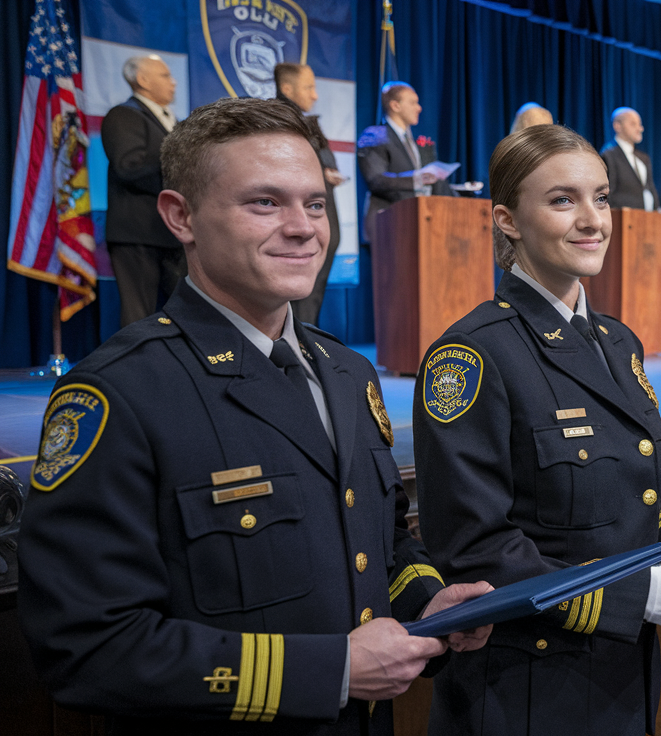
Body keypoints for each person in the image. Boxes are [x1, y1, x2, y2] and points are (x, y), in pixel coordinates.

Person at [18, 97, 493, 733]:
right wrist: (329, 670)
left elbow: (377, 544)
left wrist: (428, 600)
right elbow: (88, 649)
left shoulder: (349, 373)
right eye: (265, 202)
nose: (304, 227)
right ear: (180, 216)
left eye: (316, 202)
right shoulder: (122, 393)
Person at [412, 124, 661, 736]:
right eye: (563, 200)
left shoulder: (618, 342)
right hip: (529, 690)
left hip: (623, 672)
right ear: (508, 220)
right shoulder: (473, 354)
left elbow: (653, 490)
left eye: (601, 197)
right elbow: (476, 548)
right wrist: (638, 596)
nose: (594, 219)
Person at [102, 54, 185, 327]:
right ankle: (136, 370)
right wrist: (181, 172)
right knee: (139, 315)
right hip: (137, 232)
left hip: (173, 235)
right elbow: (129, 167)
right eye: (165, 76)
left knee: (184, 312)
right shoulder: (123, 115)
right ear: (143, 80)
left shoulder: (175, 121)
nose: (173, 82)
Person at [274, 62, 344, 325]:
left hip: (321, 215)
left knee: (312, 290)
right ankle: (298, 348)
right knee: (301, 290)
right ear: (286, 88)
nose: (315, 95)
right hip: (305, 221)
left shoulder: (306, 122)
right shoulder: (282, 121)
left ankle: (305, 343)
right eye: (309, 87)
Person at [358, 82, 453, 244]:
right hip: (388, 225)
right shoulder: (375, 135)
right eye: (413, 102)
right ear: (395, 105)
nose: (419, 108)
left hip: (419, 223)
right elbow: (376, 180)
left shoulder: (415, 142)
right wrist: (418, 178)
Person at [599, 107, 659, 211]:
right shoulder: (609, 155)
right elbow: (608, 191)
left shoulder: (644, 158)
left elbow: (650, 188)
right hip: (623, 220)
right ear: (617, 126)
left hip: (649, 219)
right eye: (633, 124)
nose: (640, 129)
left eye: (640, 124)